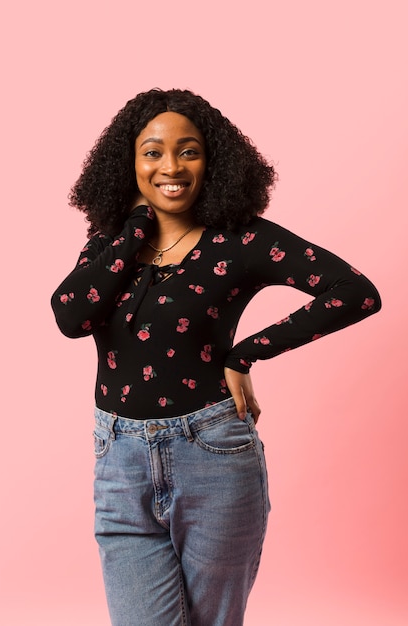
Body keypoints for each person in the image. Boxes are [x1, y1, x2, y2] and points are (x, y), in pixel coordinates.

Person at [51, 88, 381, 626]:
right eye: (152, 152)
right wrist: (136, 229)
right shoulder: (109, 245)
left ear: (213, 162)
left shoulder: (242, 241)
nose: (171, 166)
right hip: (119, 459)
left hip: (212, 451)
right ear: (128, 162)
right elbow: (69, 316)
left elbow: (355, 292)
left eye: (189, 150)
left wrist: (246, 353)